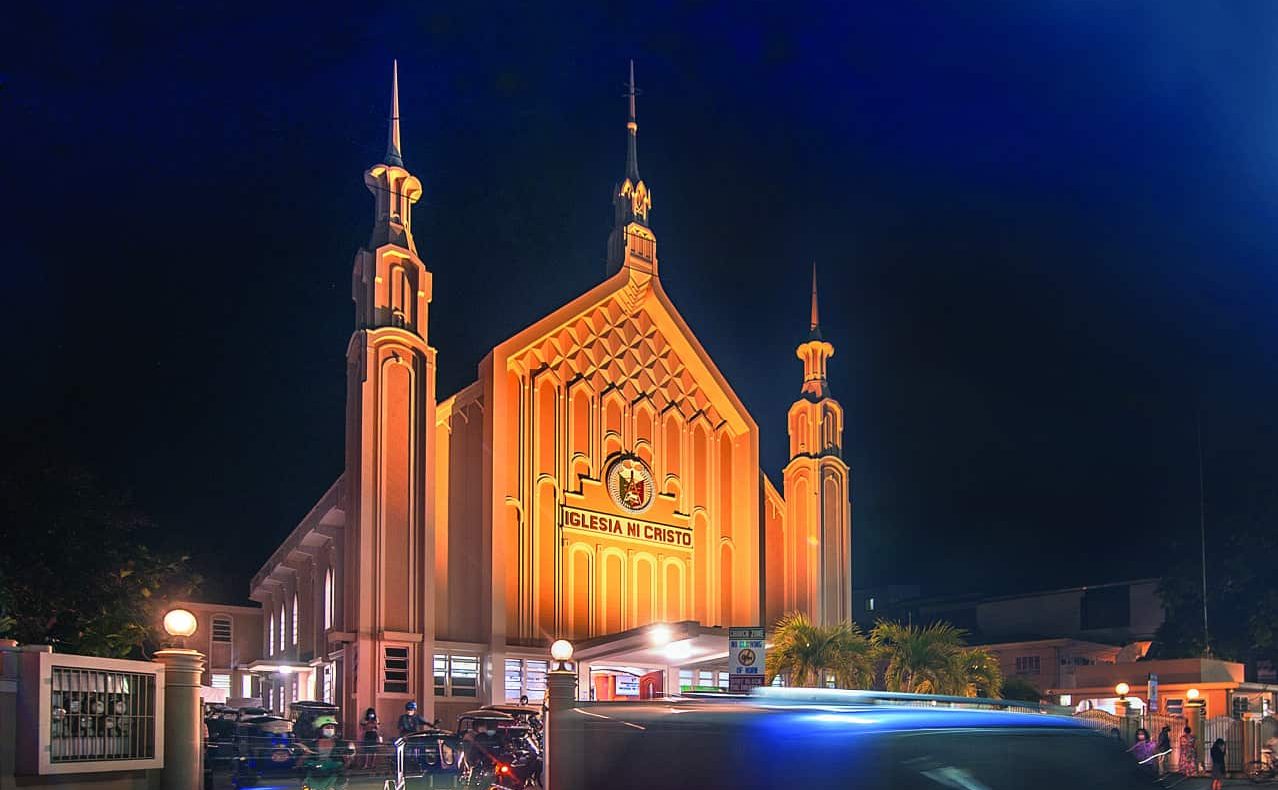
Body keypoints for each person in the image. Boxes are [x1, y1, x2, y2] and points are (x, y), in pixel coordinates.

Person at [296, 714, 350, 788]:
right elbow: (299, 764)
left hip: (333, 777)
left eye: (332, 727)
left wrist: (347, 759)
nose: (330, 730)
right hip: (314, 776)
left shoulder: (341, 745)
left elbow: (346, 765)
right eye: (327, 727)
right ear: (319, 729)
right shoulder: (310, 745)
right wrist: (306, 755)